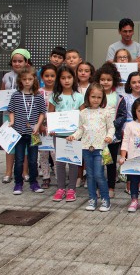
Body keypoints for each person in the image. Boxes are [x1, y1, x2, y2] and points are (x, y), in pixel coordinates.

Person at [67, 83, 114, 211]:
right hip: (86, 148)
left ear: (103, 98)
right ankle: (92, 199)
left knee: (99, 174)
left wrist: (109, 136)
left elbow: (111, 127)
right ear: (87, 97)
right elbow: (80, 129)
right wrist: (73, 136)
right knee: (90, 175)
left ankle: (105, 199)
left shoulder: (106, 112)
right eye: (93, 96)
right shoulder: (83, 113)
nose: (96, 100)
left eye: (99, 97)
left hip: (101, 148)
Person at [8, 67, 46, 195]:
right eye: (24, 79)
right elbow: (11, 110)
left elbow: (42, 113)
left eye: (30, 79)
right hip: (19, 133)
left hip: (33, 134)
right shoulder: (16, 95)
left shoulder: (38, 96)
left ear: (34, 79)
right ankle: (18, 183)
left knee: (33, 159)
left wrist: (38, 125)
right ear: (20, 80)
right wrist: (12, 122)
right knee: (19, 160)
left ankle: (34, 182)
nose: (27, 82)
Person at [49, 64, 84, 202]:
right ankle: (60, 188)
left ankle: (71, 189)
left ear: (73, 79)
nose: (66, 80)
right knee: (60, 162)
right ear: (59, 80)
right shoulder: (55, 96)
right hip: (58, 135)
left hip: (74, 135)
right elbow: (50, 113)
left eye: (69, 77)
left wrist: (79, 131)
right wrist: (51, 128)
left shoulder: (79, 97)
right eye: (63, 78)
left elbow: (82, 115)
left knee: (73, 162)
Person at [0, 48, 31, 184]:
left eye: (20, 61)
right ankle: (8, 172)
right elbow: (2, 92)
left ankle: (25, 171)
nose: (17, 64)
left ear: (26, 62)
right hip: (8, 115)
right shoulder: (6, 76)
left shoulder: (30, 76)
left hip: (25, 115)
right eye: (14, 61)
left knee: (26, 144)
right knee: (9, 144)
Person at [92, 63, 127, 198]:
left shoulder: (119, 98)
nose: (105, 82)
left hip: (112, 137)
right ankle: (99, 186)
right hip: (96, 136)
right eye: (102, 79)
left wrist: (112, 125)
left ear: (114, 81)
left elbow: (122, 116)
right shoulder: (94, 96)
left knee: (110, 163)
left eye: (108, 80)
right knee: (98, 163)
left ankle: (111, 187)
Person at [38, 63, 57, 189]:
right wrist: (40, 125)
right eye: (46, 76)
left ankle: (59, 175)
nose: (49, 78)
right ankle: (46, 176)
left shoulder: (59, 92)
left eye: (52, 76)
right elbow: (34, 110)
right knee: (43, 154)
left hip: (55, 127)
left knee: (55, 153)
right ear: (42, 77)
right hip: (42, 128)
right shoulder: (38, 92)